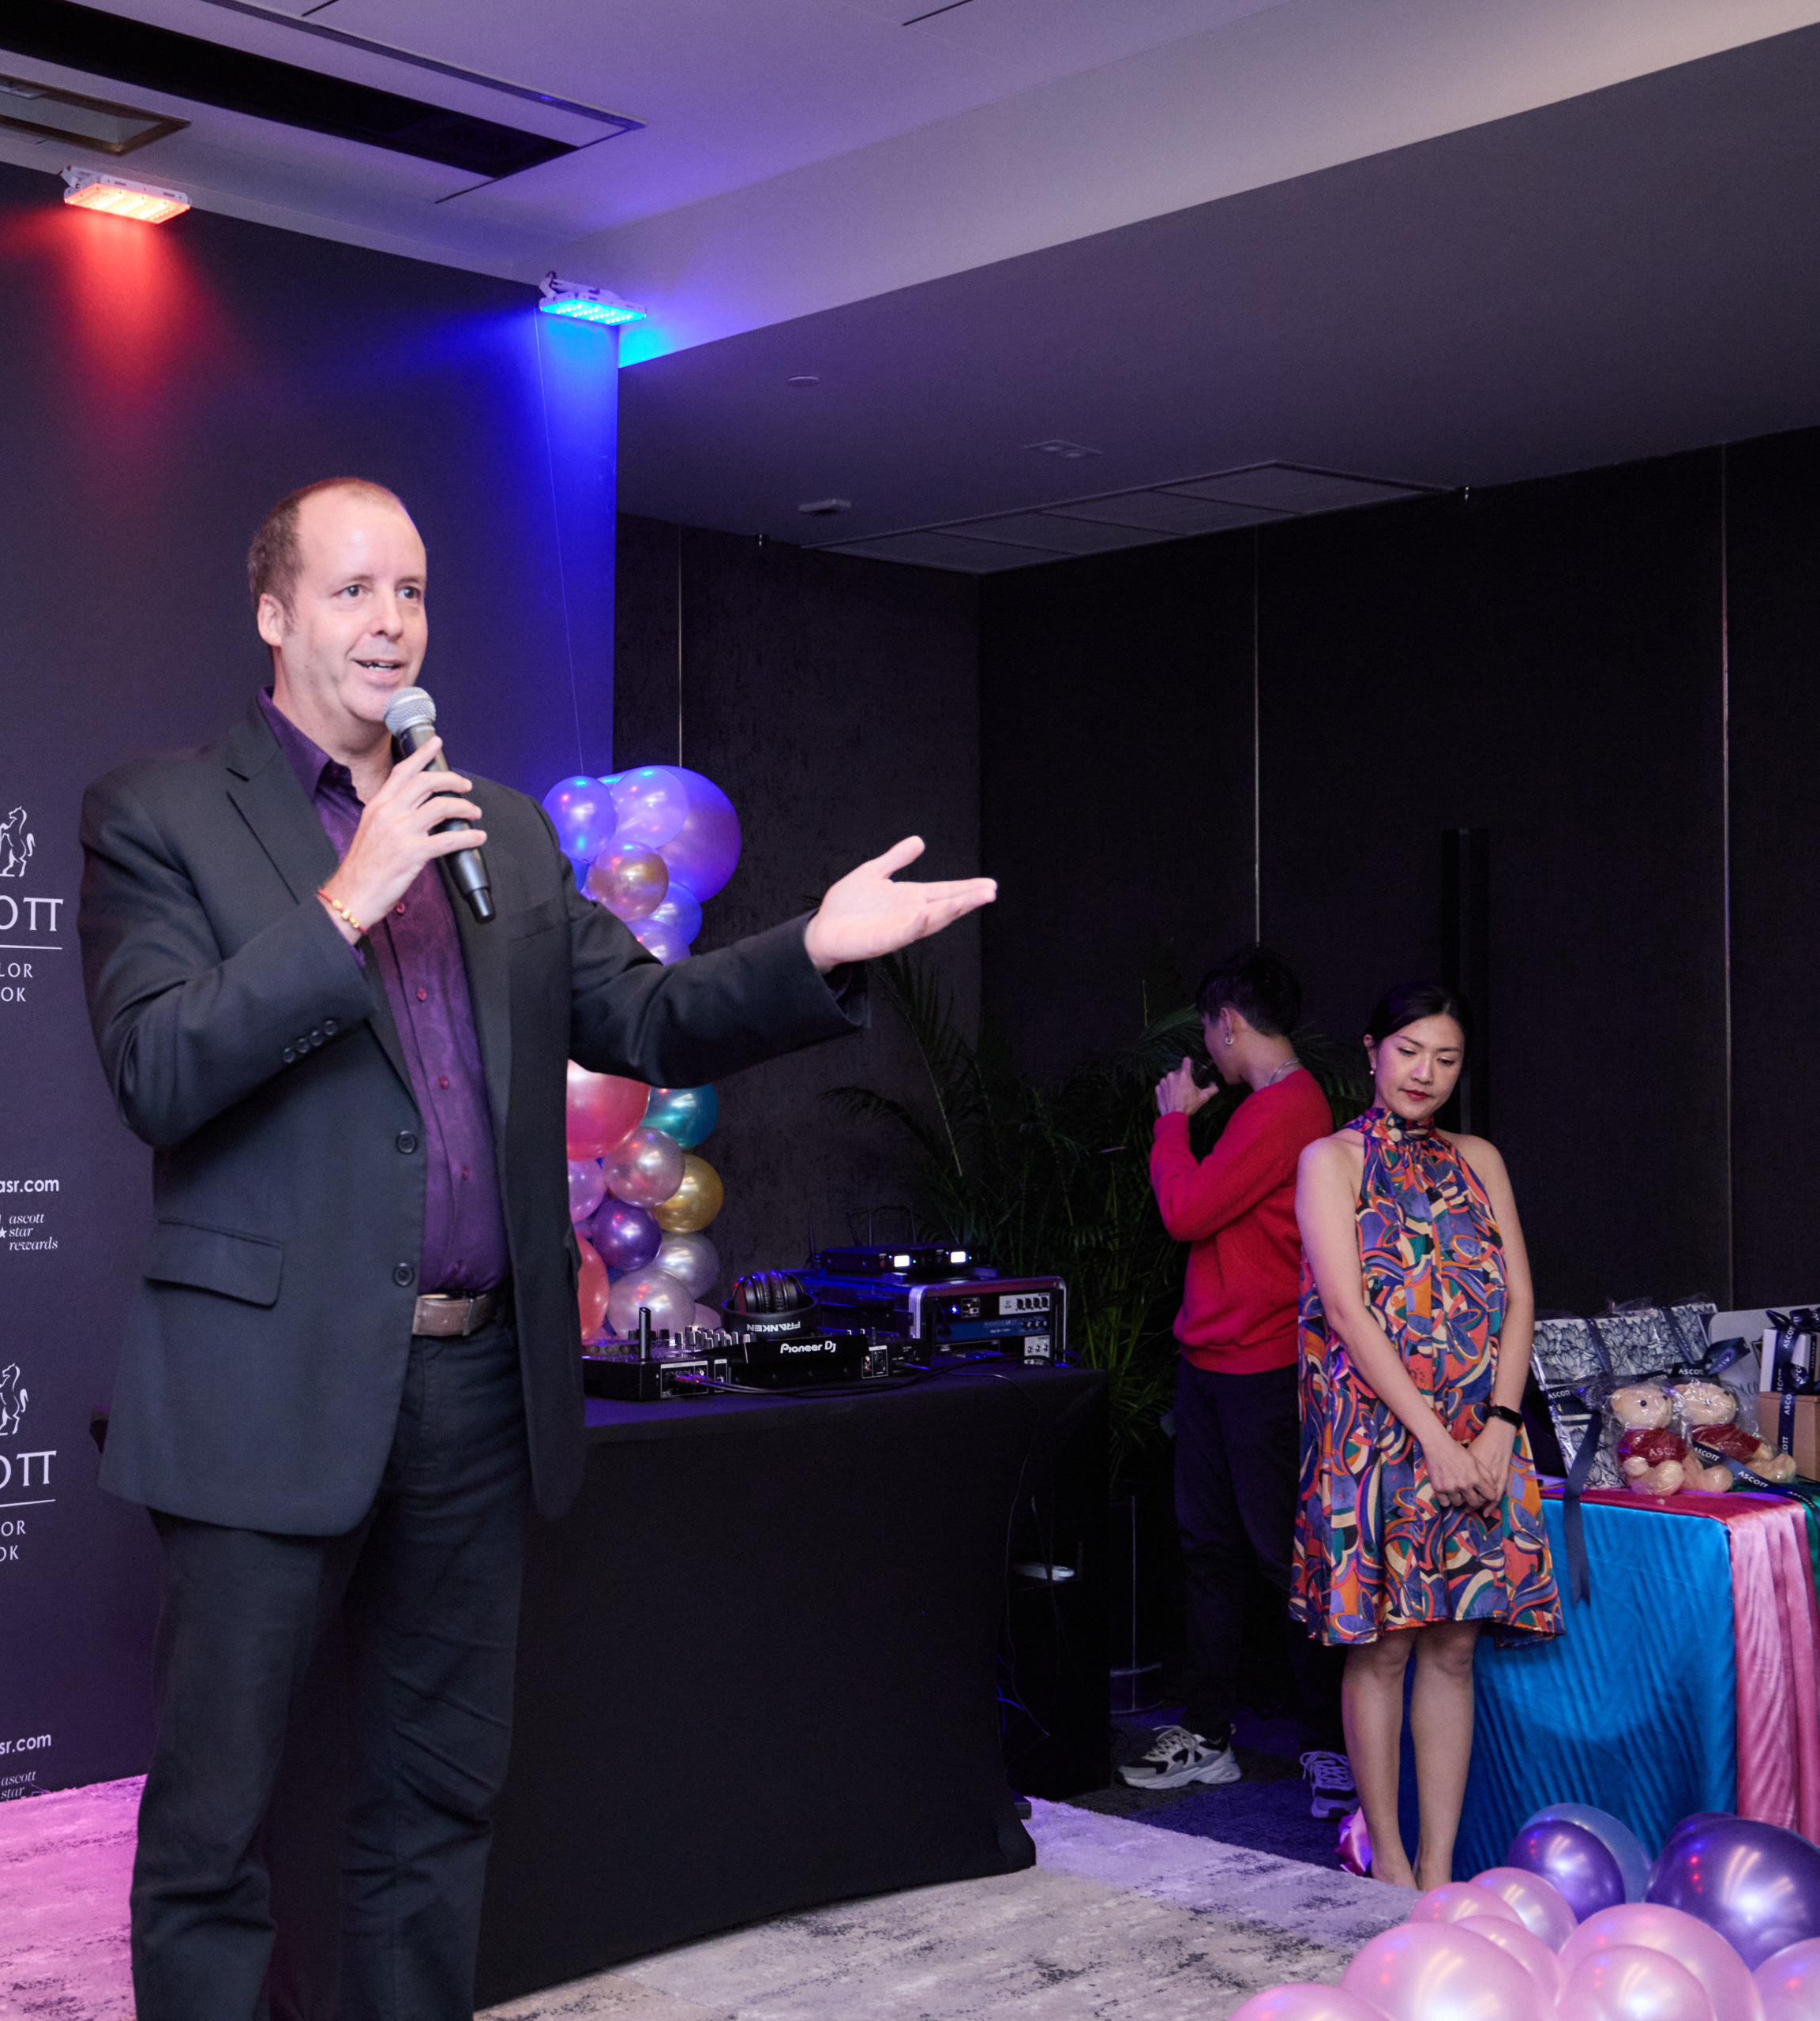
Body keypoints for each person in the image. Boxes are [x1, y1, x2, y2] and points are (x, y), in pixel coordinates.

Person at [77, 476, 994, 2020]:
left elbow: (643, 1014)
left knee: (435, 1803)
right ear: (274, 611)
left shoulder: (494, 826)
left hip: (478, 1391)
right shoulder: (159, 813)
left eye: (412, 590)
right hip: (265, 1390)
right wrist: (349, 898)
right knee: (214, 1827)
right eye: (354, 590)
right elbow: (157, 1069)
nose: (391, 622)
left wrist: (813, 950)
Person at [1292, 981, 1559, 1888]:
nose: (1425, 1072)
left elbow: (1520, 1299)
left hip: (1483, 1439)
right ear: (1372, 1050)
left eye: (1446, 1058)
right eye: (1409, 1051)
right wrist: (1435, 1441)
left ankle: (1440, 1871)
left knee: (1453, 1645)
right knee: (1385, 1647)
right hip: (1377, 1442)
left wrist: (1499, 1430)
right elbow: (1345, 1310)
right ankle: (1391, 1866)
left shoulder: (1480, 1158)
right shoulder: (1330, 1160)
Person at [1124, 947, 1349, 1817]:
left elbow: (1184, 1210)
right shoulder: (1270, 1107)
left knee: (1278, 1559)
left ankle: (1331, 1745)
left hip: (1259, 1371)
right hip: (1213, 1365)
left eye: (1209, 1028)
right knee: (1212, 1553)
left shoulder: (1287, 1108)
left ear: (1226, 1023)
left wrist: (1172, 1123)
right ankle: (1210, 1735)